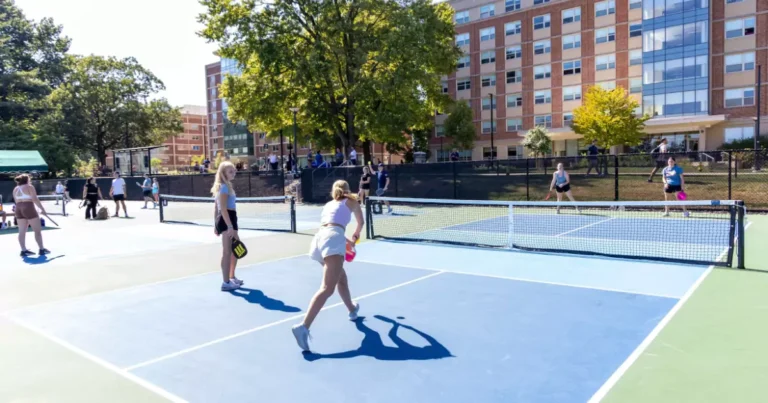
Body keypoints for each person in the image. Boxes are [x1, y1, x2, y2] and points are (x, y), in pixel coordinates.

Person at [292, 180, 363, 352]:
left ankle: (352, 309)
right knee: (327, 288)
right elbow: (360, 223)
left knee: (341, 279)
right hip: (332, 239)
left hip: (319, 240)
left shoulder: (328, 204)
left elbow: (331, 228)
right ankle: (303, 326)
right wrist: (354, 237)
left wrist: (345, 242)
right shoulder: (352, 201)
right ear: (347, 190)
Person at [212, 161, 244, 291]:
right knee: (227, 252)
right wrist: (229, 226)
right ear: (223, 173)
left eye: (234, 171)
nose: (234, 173)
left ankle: (231, 277)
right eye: (230, 171)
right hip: (227, 220)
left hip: (229, 219)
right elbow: (223, 209)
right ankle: (225, 282)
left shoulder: (226, 186)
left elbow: (216, 207)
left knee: (236, 250)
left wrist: (215, 225)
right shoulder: (223, 187)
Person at [12, 174, 50, 256]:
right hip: (28, 206)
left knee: (21, 231)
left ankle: (23, 250)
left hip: (18, 208)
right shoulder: (29, 187)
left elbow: (16, 201)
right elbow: (35, 199)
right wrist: (42, 209)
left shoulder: (15, 189)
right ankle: (41, 249)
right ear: (27, 179)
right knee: (37, 230)